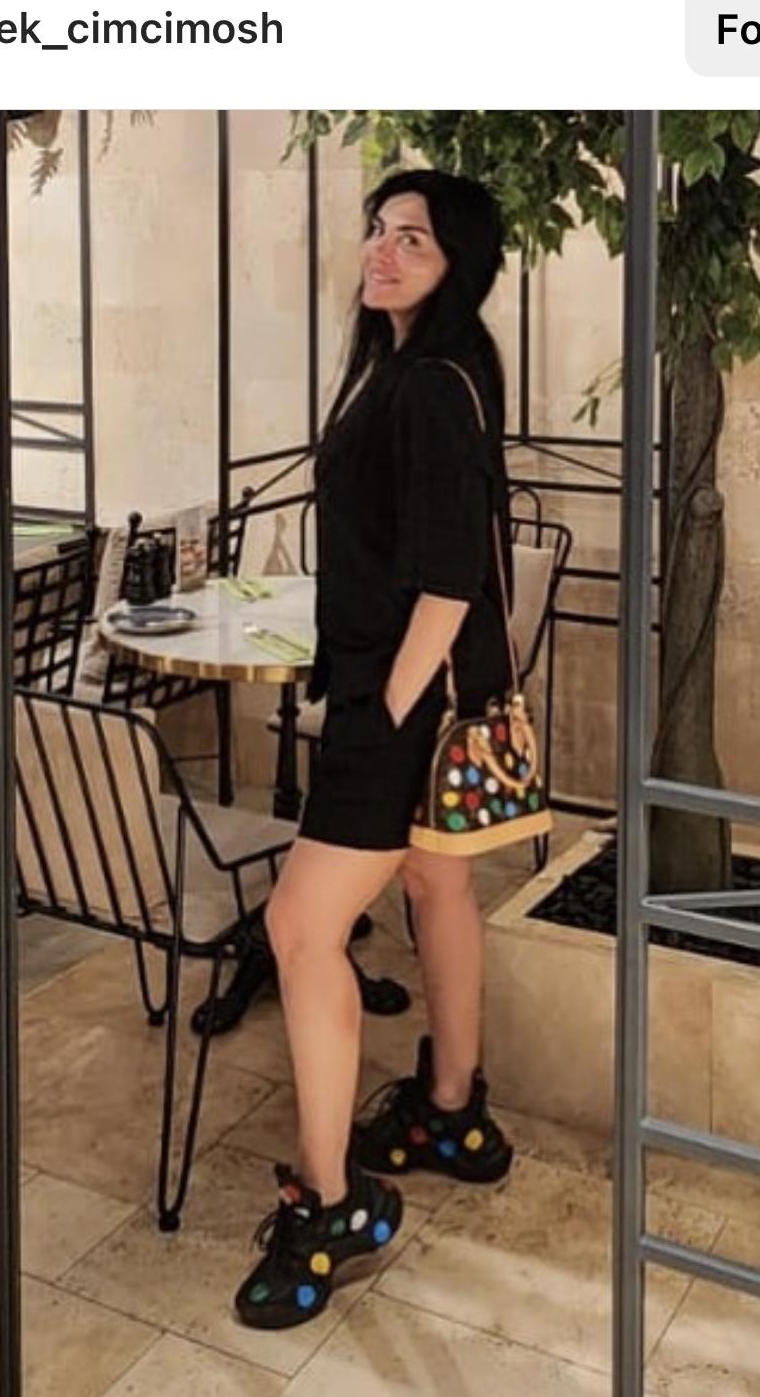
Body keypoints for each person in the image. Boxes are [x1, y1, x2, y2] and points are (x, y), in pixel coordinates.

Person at [235, 169, 518, 1330]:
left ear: (458, 268)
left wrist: (384, 713)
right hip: (432, 700)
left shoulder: (427, 387)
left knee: (300, 928)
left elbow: (448, 582)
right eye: (379, 229)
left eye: (416, 240)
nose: (383, 252)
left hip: (399, 708)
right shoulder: (438, 370)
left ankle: (334, 1202)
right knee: (438, 886)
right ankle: (450, 1109)